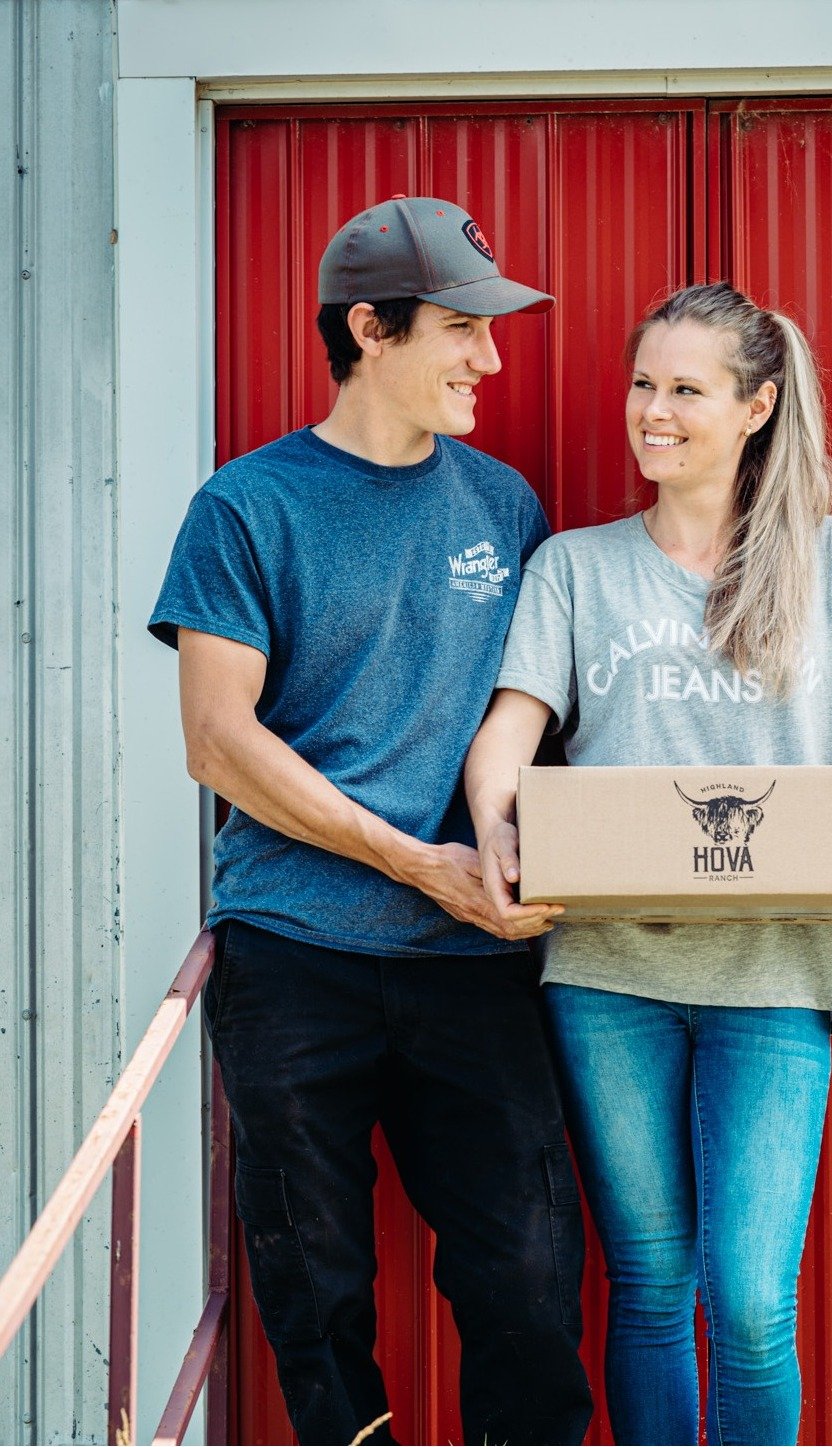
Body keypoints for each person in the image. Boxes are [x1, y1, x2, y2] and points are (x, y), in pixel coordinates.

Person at [466, 282, 832, 1447]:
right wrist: (494, 825)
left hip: (775, 973)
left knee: (747, 1301)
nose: (655, 411)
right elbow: (507, 734)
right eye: (645, 384)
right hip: (607, 971)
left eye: (687, 389)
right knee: (649, 1287)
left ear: (756, 406)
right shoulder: (576, 570)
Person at [148, 197, 592, 1447]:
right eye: (461, 330)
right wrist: (413, 860)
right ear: (369, 329)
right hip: (297, 954)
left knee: (524, 1275)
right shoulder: (246, 508)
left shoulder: (503, 506)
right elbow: (218, 739)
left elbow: (543, 713)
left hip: (475, 962)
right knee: (317, 1284)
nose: (488, 361)